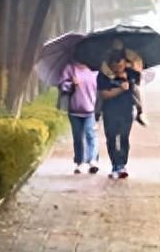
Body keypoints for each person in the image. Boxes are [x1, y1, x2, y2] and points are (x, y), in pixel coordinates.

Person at [97, 50, 141, 179]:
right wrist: (121, 88)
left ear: (125, 62)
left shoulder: (132, 74)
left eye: (120, 64)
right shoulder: (103, 76)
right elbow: (104, 94)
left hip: (126, 110)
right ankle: (115, 164)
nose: (117, 68)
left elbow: (136, 90)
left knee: (123, 137)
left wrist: (140, 107)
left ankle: (121, 164)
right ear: (110, 64)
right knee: (111, 137)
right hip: (109, 111)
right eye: (114, 65)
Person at [59, 61, 99, 175]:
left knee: (90, 134)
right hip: (74, 110)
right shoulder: (70, 68)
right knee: (78, 137)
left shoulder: (94, 70)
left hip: (90, 110)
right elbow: (62, 86)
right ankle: (80, 162)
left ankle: (92, 161)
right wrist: (71, 84)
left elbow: (99, 91)